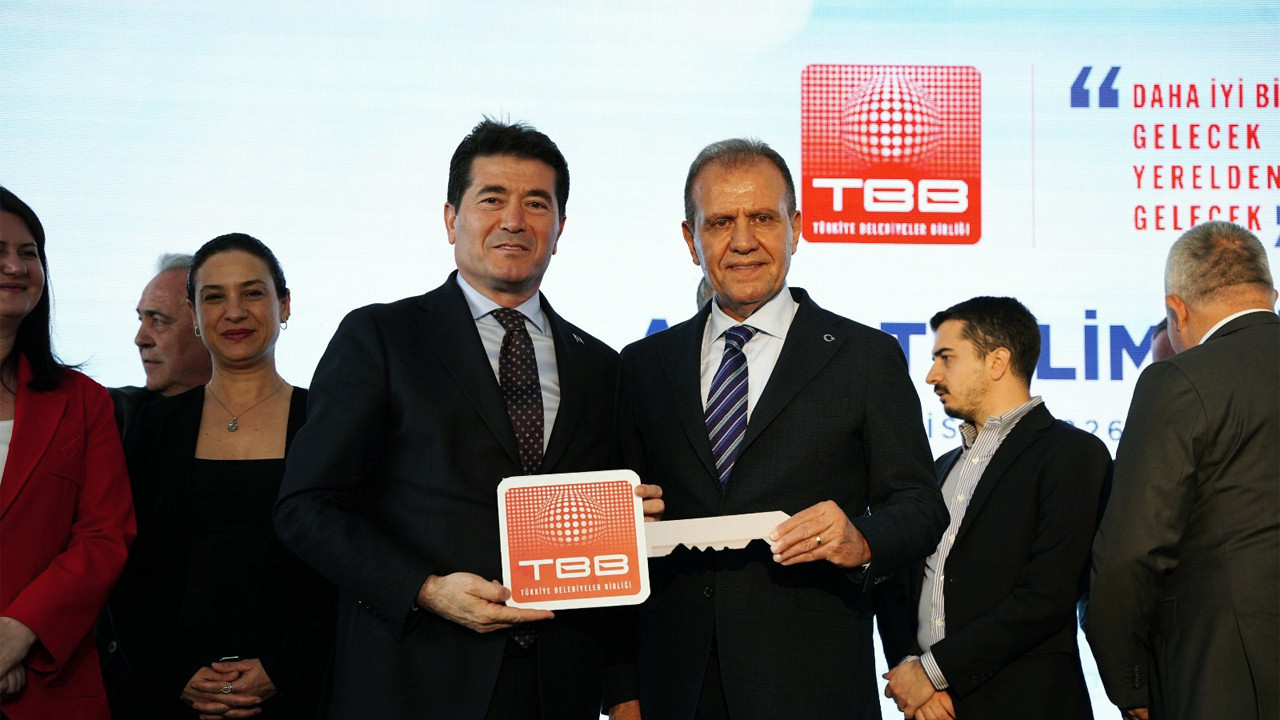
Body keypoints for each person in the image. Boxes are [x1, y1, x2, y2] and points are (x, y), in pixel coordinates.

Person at [275, 119, 628, 720]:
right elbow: (306, 506)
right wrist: (425, 590)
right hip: (416, 676)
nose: (513, 220)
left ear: (559, 229)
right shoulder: (382, 337)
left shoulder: (602, 366)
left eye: (536, 203)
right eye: (491, 199)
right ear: (450, 219)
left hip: (557, 685)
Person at [612, 139, 948, 719]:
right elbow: (620, 530)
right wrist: (621, 692)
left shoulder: (864, 357)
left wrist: (862, 539)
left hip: (811, 683)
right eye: (721, 222)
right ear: (691, 240)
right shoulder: (643, 366)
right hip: (675, 687)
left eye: (763, 218)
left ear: (796, 227)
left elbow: (919, 507)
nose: (744, 241)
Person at [111, 233, 334, 719]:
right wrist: (175, 673)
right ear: (194, 315)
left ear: (284, 305)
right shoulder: (152, 426)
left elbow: (346, 568)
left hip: (301, 694)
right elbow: (126, 567)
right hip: (167, 695)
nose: (234, 312)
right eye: (214, 297)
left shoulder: (327, 423)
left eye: (252, 293)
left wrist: (284, 669)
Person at [879, 296, 1111, 719]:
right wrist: (913, 673)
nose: (931, 376)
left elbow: (1047, 595)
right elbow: (899, 583)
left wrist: (934, 672)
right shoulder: (939, 468)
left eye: (946, 358)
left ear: (997, 361)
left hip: (1027, 705)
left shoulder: (1073, 454)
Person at [1086, 221, 1279, 720]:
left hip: (1226, 677)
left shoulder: (1178, 379)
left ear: (1178, 310)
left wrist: (1131, 683)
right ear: (1271, 295)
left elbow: (1131, 553)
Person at [0, 186, 135, 719]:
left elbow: (105, 534)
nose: (16, 266)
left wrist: (21, 631)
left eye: (28, 252)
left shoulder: (84, 401)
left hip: (48, 683)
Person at [110, 253, 214, 434]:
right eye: (141, 319)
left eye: (158, 321)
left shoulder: (262, 416)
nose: (140, 339)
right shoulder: (111, 413)